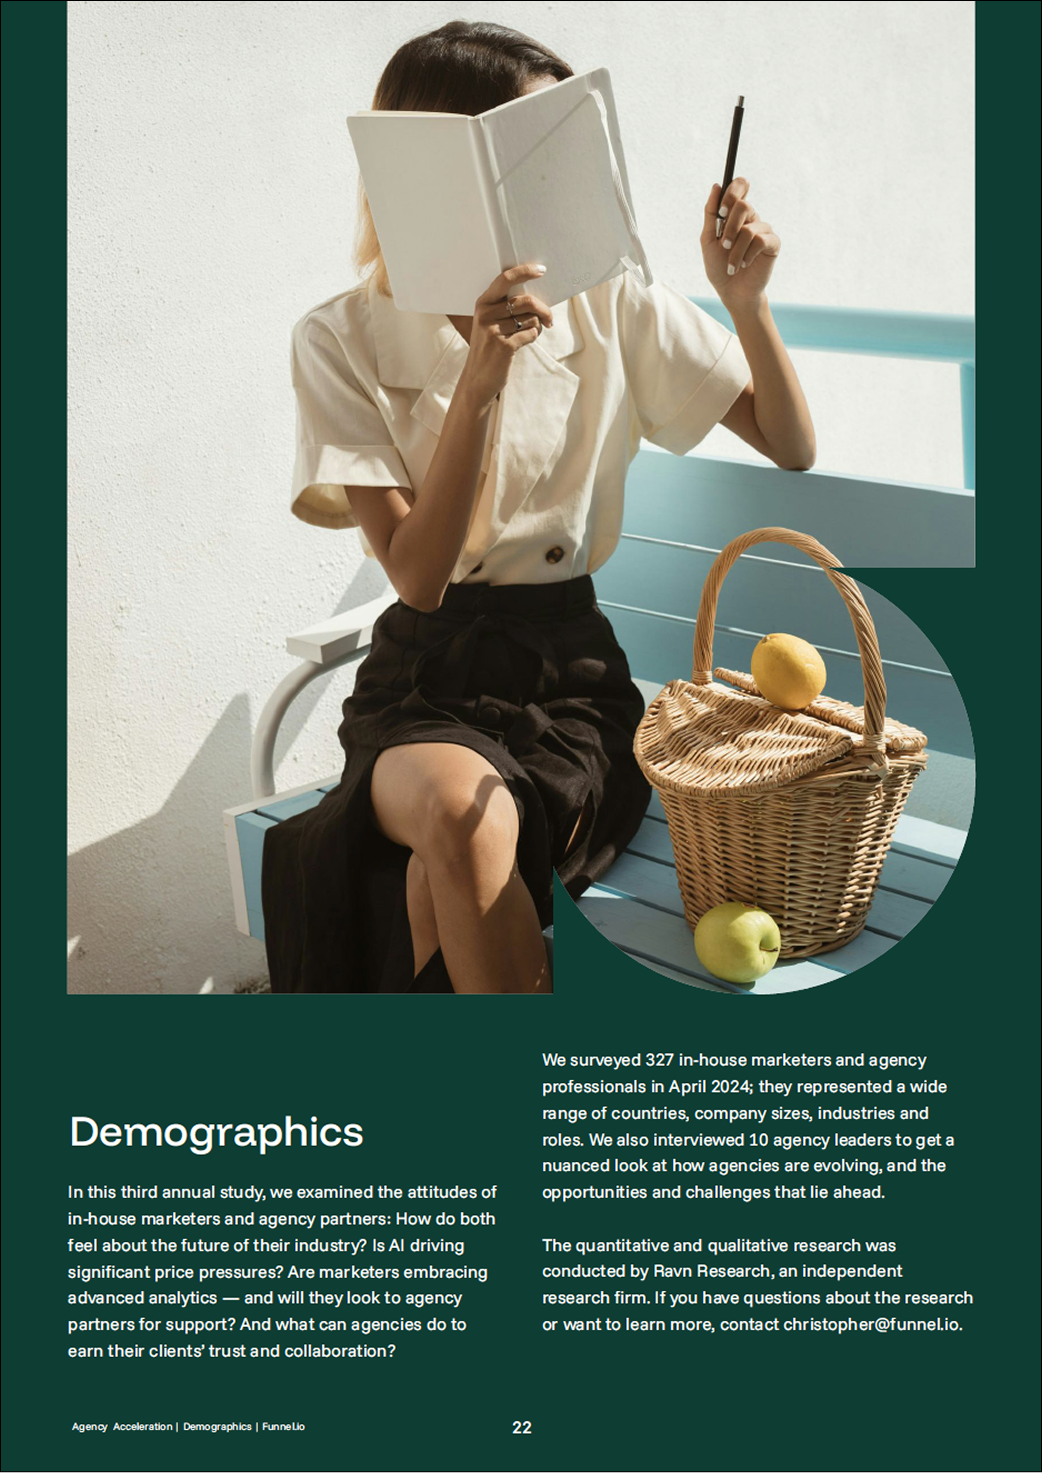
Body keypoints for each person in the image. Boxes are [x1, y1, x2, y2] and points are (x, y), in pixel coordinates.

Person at [260, 20, 815, 996]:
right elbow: (418, 577)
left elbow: (789, 441)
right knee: (456, 815)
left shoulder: (610, 299)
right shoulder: (338, 338)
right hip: (422, 676)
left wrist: (746, 302)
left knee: (441, 877)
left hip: (569, 676)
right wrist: (480, 379)